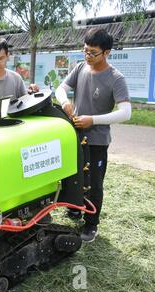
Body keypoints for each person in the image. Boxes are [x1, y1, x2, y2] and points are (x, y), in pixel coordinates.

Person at [55, 27, 131, 242]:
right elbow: (61, 89)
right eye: (85, 50)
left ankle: (91, 224)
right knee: (73, 174)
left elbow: (126, 112)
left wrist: (93, 120)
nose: (87, 56)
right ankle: (75, 209)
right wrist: (65, 103)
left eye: (93, 52)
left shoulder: (116, 78)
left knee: (94, 182)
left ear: (107, 53)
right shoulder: (80, 68)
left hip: (97, 140)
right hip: (76, 135)